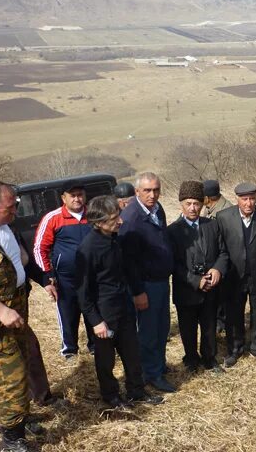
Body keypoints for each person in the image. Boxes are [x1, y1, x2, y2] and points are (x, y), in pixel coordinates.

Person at [76, 195, 163, 409]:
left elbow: (126, 271)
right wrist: (96, 321)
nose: (120, 221)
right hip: (104, 314)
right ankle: (111, 396)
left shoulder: (115, 240)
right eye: (114, 218)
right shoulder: (87, 250)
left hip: (124, 307)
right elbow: (82, 292)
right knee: (106, 360)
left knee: (132, 353)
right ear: (99, 222)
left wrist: (136, 293)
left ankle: (137, 391)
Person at [0, 181, 42, 452]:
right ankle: (11, 438)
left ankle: (18, 420)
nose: (16, 210)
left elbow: (18, 258)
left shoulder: (6, 226)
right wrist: (1, 310)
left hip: (17, 314)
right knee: (10, 376)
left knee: (23, 366)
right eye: (10, 207)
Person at [119, 172, 176, 393]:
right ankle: (151, 374)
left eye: (156, 190)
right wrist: (137, 291)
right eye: (147, 191)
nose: (153, 195)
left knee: (162, 327)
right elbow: (129, 261)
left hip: (161, 280)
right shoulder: (132, 218)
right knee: (149, 331)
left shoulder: (156, 209)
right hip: (146, 284)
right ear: (136, 192)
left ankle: (158, 365)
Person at [167, 181, 227, 372]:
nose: (193, 208)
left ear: (202, 204)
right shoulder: (172, 231)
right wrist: (195, 280)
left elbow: (224, 253)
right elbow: (173, 264)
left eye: (196, 204)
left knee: (209, 325)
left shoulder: (212, 225)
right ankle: (191, 359)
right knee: (188, 328)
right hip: (187, 289)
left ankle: (210, 358)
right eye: (188, 204)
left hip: (211, 287)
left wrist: (217, 269)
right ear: (181, 205)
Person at [216, 182, 256, 367]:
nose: (249, 203)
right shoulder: (223, 217)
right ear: (237, 199)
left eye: (251, 199)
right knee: (234, 313)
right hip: (234, 276)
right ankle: (235, 348)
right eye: (244, 199)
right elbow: (221, 247)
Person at [33, 179, 94, 359]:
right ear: (63, 198)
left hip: (92, 275)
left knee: (92, 310)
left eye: (80, 195)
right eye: (72, 195)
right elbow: (39, 247)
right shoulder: (53, 218)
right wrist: (47, 274)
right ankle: (69, 350)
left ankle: (95, 345)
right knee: (68, 313)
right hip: (66, 278)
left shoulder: (93, 214)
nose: (77, 199)